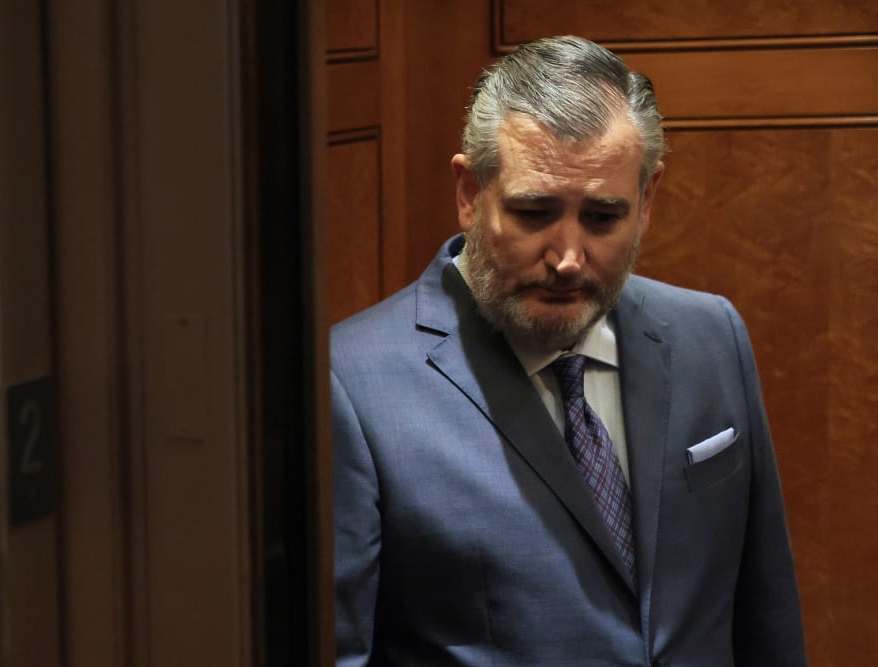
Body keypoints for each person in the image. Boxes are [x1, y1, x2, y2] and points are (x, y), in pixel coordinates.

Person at [330, 35, 806, 666]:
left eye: (603, 217)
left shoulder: (710, 335)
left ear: (647, 200)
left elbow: (764, 612)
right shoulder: (351, 384)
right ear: (470, 193)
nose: (569, 258)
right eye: (535, 212)